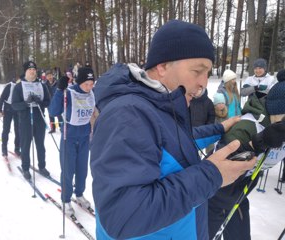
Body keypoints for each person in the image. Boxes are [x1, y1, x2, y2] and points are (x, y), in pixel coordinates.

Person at [90, 20, 256, 240]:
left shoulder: (157, 105)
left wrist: (221, 128)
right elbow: (124, 215)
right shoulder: (127, 114)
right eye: (198, 71)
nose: (203, 83)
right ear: (162, 66)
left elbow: (172, 144)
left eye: (207, 74)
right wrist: (212, 175)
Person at [208, 68, 285, 240]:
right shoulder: (248, 127)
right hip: (216, 200)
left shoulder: (276, 124)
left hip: (240, 196)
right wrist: (259, 142)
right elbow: (216, 168)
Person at [49, 67, 96, 214]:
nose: (89, 87)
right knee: (68, 170)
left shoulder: (92, 94)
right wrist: (58, 90)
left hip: (84, 137)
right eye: (86, 84)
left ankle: (80, 194)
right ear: (79, 82)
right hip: (68, 137)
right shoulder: (69, 93)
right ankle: (66, 199)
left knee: (82, 170)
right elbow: (53, 111)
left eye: (91, 83)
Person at [11, 61, 51, 180]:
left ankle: (42, 166)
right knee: (26, 144)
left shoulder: (42, 85)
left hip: (39, 118)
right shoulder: (19, 86)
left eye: (34, 69)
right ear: (25, 72)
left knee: (40, 145)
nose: (32, 71)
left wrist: (40, 102)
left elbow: (48, 102)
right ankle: (25, 168)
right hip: (25, 120)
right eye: (30, 70)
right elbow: (14, 105)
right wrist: (26, 103)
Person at [0, 77, 20, 157]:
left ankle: (17, 149)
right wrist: (0, 110)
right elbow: (2, 98)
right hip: (8, 108)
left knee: (18, 130)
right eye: (18, 79)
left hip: (17, 109)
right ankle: (4, 149)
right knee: (6, 129)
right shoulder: (9, 86)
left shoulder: (21, 86)